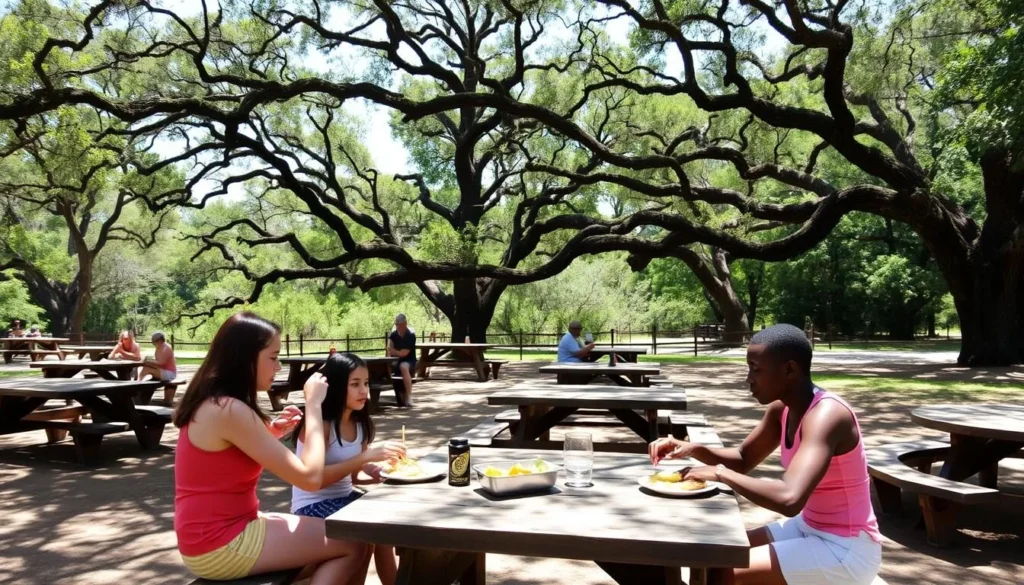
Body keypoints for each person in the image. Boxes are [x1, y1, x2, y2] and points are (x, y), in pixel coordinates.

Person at [649, 324, 881, 585]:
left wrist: (719, 474)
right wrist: (694, 448)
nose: (749, 378)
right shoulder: (781, 410)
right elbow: (743, 458)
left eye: (756, 369)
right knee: (716, 553)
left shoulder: (827, 416)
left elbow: (789, 499)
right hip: (808, 528)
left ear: (789, 369)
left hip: (845, 548)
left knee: (724, 573)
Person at [173, 312, 370, 583]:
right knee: (353, 543)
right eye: (274, 357)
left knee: (348, 538)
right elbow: (310, 478)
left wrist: (270, 431)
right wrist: (313, 405)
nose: (278, 367)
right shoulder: (229, 409)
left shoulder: (216, 403)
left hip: (221, 532)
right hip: (221, 543)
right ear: (246, 358)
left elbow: (223, 456)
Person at [290, 352, 405, 585]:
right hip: (312, 507)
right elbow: (317, 480)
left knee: (384, 529)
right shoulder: (320, 425)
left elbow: (353, 476)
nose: (364, 391)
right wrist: (365, 457)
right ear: (334, 387)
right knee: (363, 536)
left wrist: (378, 471)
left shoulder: (360, 423)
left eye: (365, 383)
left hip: (345, 499)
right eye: (355, 384)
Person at [386, 314, 416, 407]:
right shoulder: (393, 335)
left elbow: (405, 353)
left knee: (403, 367)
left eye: (400, 324)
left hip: (409, 361)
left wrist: (395, 352)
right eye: (397, 324)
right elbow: (389, 350)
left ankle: (409, 396)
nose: (398, 326)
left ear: (405, 323)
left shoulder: (410, 335)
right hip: (396, 360)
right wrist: (396, 352)